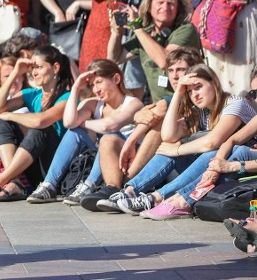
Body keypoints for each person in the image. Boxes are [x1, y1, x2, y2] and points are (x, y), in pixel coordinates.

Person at [102, 64, 255, 216]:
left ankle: (156, 198)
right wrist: (177, 93)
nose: (194, 94)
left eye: (198, 87)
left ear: (214, 82)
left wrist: (176, 150)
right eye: (189, 91)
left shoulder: (235, 104)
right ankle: (130, 193)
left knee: (204, 152)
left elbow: (212, 142)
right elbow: (168, 136)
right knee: (171, 147)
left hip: (239, 167)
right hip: (213, 168)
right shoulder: (201, 111)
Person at [79, 47, 204, 212]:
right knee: (108, 139)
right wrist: (137, 124)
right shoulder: (172, 98)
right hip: (160, 162)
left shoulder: (200, 96)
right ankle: (112, 188)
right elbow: (152, 111)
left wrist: (133, 134)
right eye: (171, 70)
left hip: (189, 165)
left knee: (160, 127)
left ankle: (127, 189)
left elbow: (159, 111)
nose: (174, 76)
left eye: (180, 70)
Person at [26, 59, 142, 204]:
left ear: (116, 79)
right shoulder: (94, 103)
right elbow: (69, 122)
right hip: (101, 161)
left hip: (126, 161)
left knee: (107, 137)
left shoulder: (133, 103)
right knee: (74, 132)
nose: (95, 89)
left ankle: (89, 185)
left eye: (99, 82)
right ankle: (49, 185)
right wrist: (75, 89)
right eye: (92, 85)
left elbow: (110, 126)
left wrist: (84, 122)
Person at [0, 45, 74, 202]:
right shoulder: (33, 94)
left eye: (39, 67)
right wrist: (15, 72)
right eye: (33, 68)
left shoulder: (67, 97)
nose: (34, 73)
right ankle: (14, 181)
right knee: (3, 123)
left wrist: (10, 115)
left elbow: (42, 120)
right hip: (32, 166)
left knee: (39, 128)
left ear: (55, 68)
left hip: (56, 170)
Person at [107, 0, 199, 102]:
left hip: (186, 102)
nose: (165, 7)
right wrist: (116, 33)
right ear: (149, 7)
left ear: (178, 9)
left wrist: (137, 28)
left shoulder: (186, 30)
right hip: (160, 104)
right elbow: (114, 59)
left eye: (171, 3)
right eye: (160, 2)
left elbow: (165, 62)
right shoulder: (146, 32)